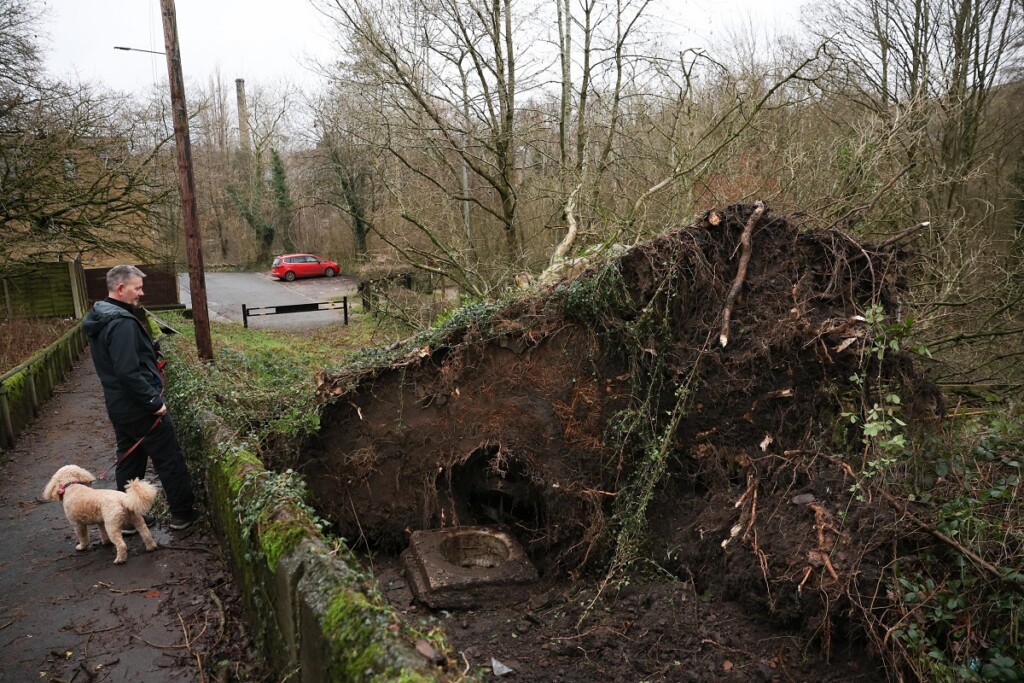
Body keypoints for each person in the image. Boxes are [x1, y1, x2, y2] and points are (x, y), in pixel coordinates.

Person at [82, 265, 199, 531]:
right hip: (140, 408)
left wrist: (148, 349)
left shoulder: (101, 314)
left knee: (129, 460)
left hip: (119, 407)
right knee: (169, 458)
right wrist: (153, 402)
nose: (142, 293)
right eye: (137, 288)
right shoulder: (120, 322)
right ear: (121, 289)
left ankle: (127, 519)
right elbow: (127, 371)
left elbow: (120, 361)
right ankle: (183, 514)